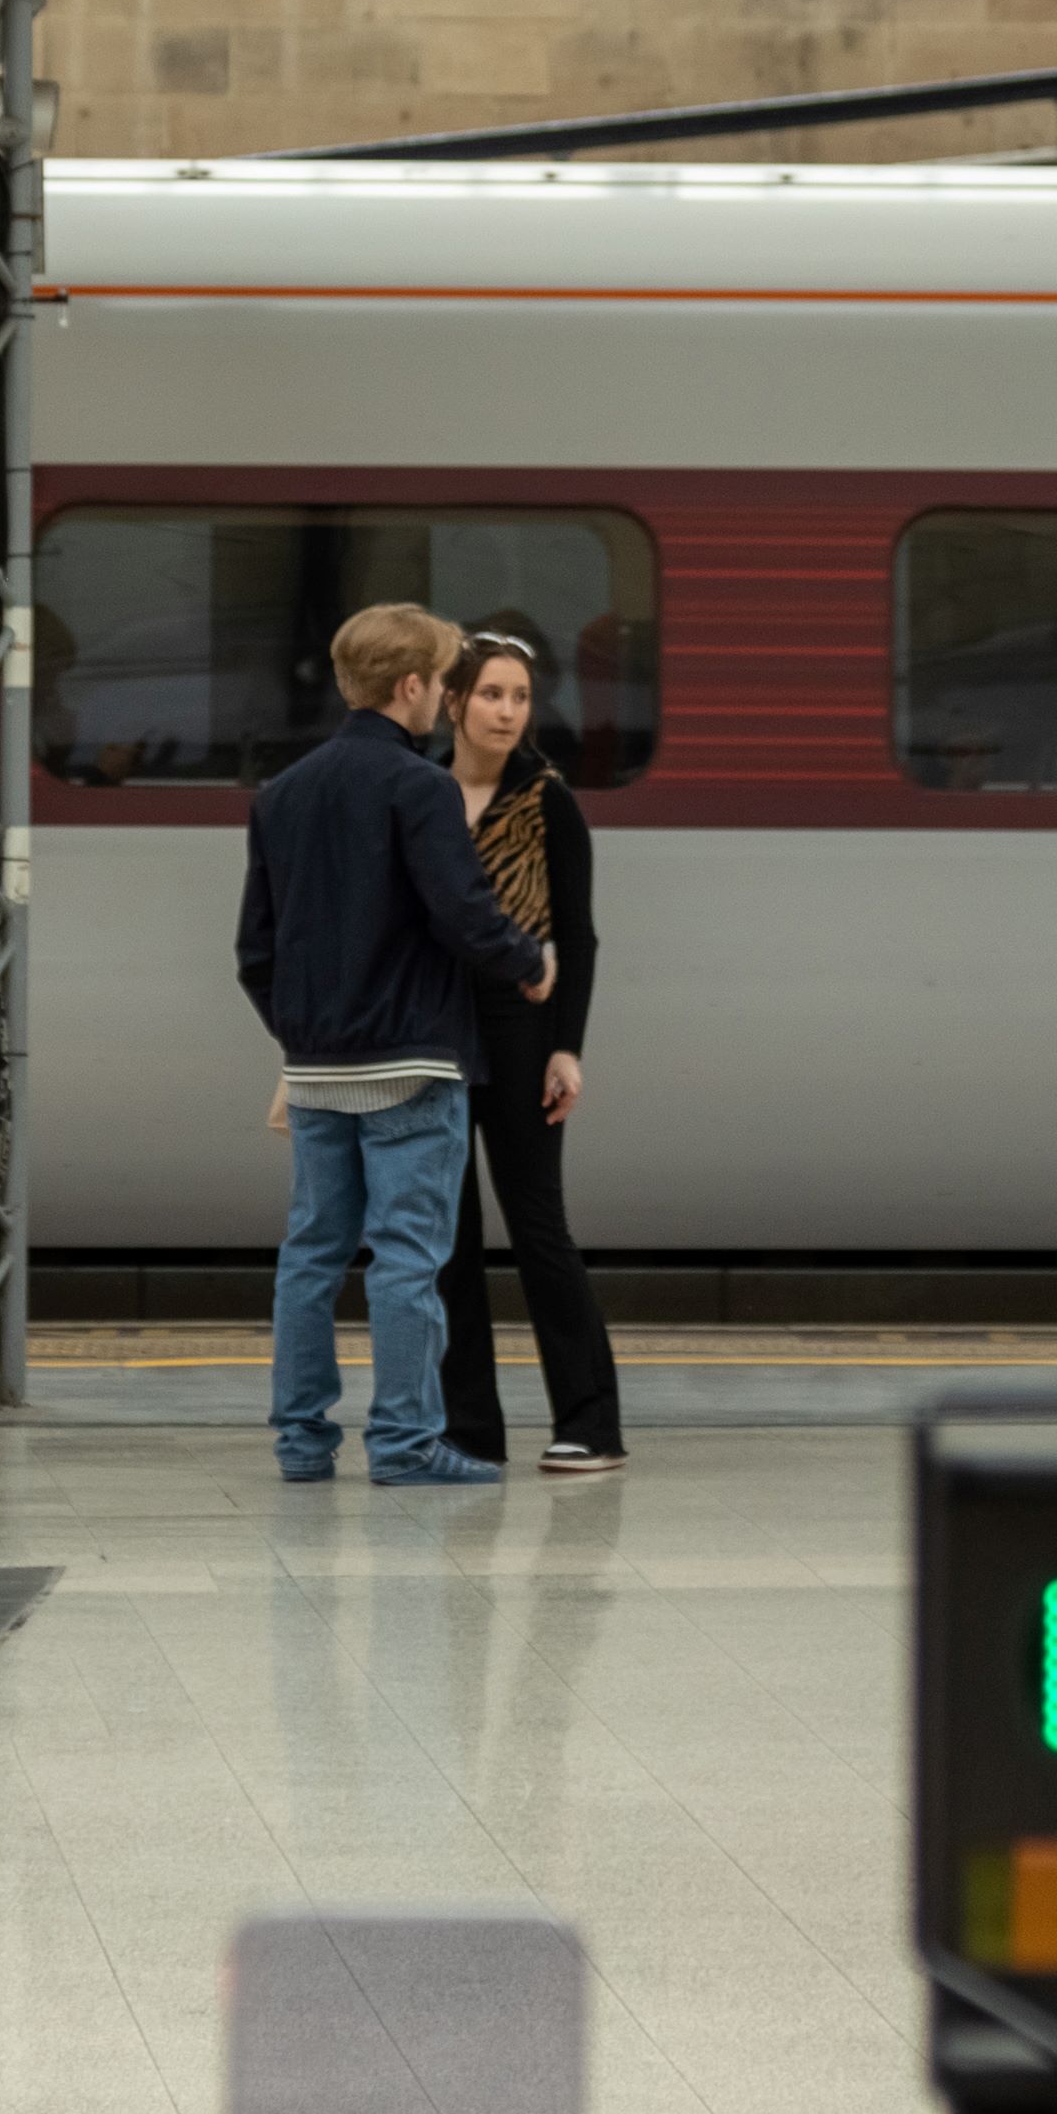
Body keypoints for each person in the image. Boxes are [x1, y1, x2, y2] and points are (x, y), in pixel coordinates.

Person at [238, 598, 552, 1488]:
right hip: (411, 1062)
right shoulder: (422, 788)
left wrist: (300, 1031)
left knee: (311, 1256)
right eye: (443, 685)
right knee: (409, 1258)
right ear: (412, 687)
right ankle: (406, 1445)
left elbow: (254, 951)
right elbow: (464, 913)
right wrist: (528, 963)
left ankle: (301, 1444)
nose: (442, 702)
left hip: (317, 1068)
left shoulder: (283, 794)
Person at [431, 630, 625, 1478]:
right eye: (491, 695)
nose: (508, 711)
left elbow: (577, 938)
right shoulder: (421, 794)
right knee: (448, 1235)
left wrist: (567, 1050)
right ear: (453, 704)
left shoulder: (548, 801)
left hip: (521, 1028)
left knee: (538, 1224)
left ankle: (591, 1422)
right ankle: (470, 1429)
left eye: (519, 697)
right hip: (434, 1027)